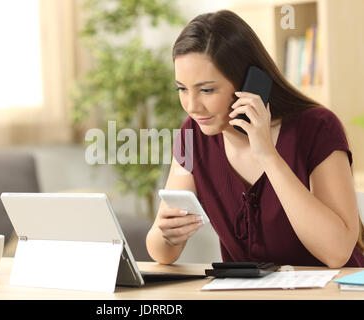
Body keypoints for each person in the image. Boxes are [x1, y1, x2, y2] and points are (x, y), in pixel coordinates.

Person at [146, 10, 364, 268]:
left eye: (206, 90)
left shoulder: (318, 128)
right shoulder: (192, 136)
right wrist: (167, 235)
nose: (192, 106)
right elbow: (162, 253)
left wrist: (268, 155)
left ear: (249, 83)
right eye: (182, 89)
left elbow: (337, 253)